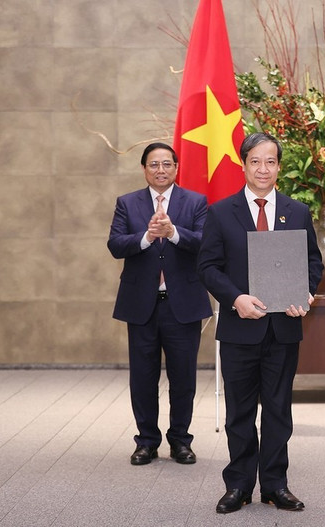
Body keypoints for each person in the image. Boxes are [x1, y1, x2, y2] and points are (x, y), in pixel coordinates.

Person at [197, 132, 323, 514]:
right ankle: (238, 485)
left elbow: (313, 263)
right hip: (240, 328)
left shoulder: (297, 211)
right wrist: (236, 299)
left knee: (279, 409)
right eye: (255, 161)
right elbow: (207, 267)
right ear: (244, 164)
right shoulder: (220, 212)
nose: (263, 169)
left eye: (270, 162)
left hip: (283, 328)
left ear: (279, 167)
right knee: (239, 412)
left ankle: (275, 485)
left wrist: (305, 292)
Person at [108, 142, 212, 466]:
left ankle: (180, 441)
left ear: (176, 168)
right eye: (154, 165)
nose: (161, 170)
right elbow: (115, 244)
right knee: (142, 377)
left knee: (183, 379)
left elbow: (206, 243)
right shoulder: (127, 203)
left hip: (183, 305)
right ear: (144, 169)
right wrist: (148, 237)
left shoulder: (196, 202)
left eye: (167, 164)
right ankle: (146, 442)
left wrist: (174, 232)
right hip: (142, 305)